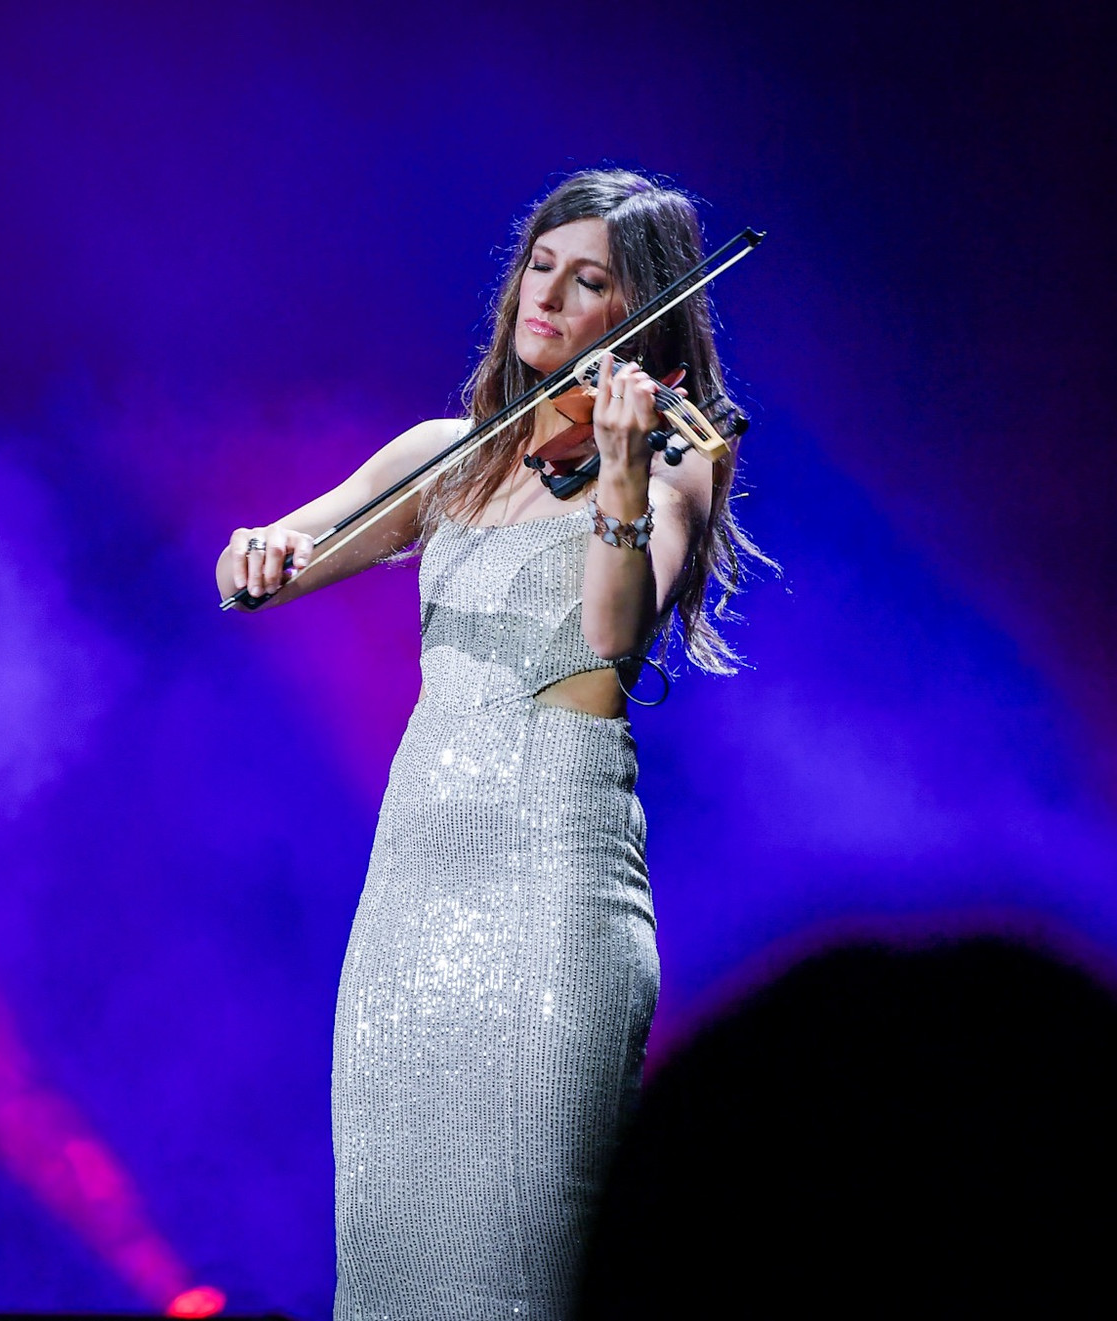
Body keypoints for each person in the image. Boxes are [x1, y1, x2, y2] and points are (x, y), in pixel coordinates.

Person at [216, 169, 767, 1317]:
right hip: (412, 895)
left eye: (590, 281)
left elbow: (611, 635)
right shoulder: (448, 454)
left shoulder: (677, 463)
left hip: (551, 896)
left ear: (640, 316)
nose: (549, 297)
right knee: (388, 1265)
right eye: (540, 267)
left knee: (520, 1259)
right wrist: (256, 554)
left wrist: (619, 470)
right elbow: (282, 555)